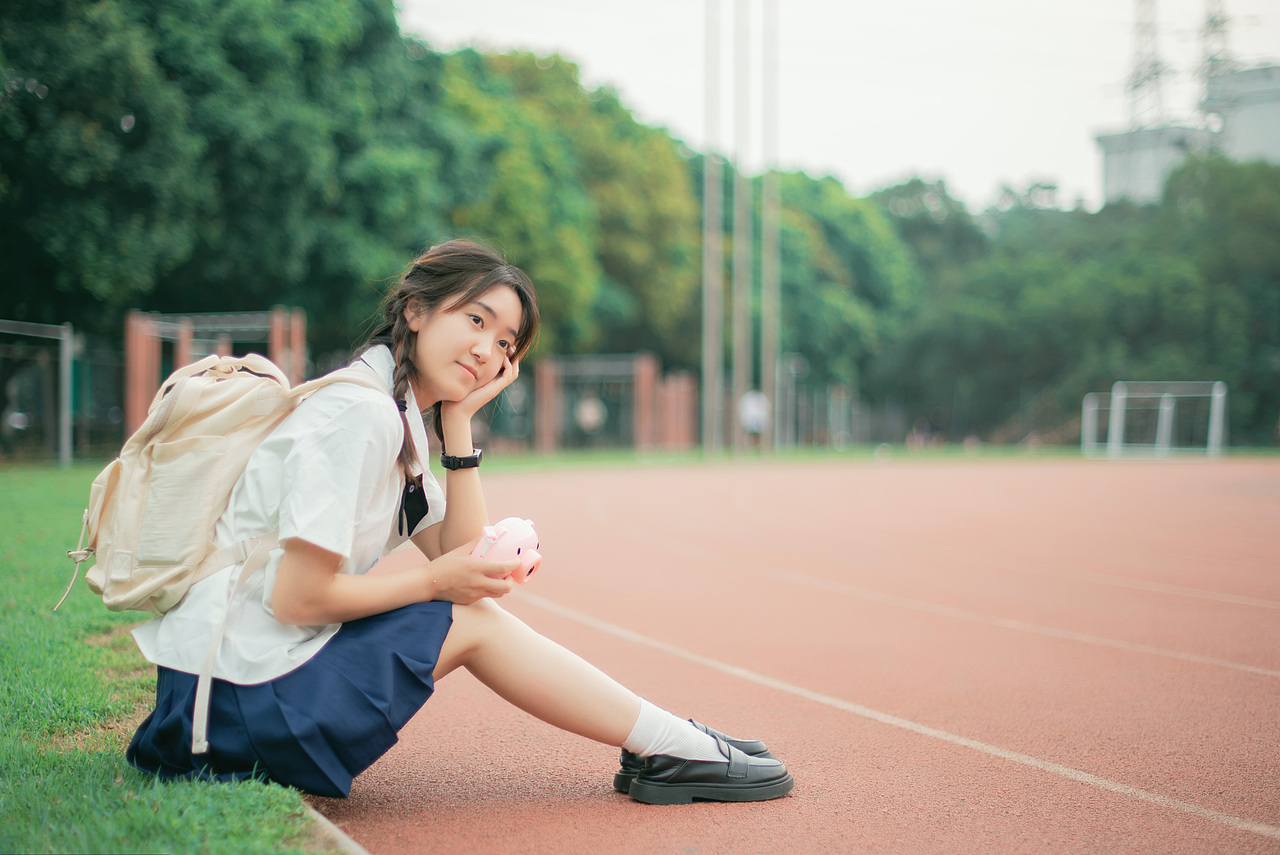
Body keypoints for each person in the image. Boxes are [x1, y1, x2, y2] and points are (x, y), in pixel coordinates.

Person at [126, 239, 793, 805]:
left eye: (504, 343)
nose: (486, 350)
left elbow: (463, 557)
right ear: (415, 310)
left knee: (467, 607)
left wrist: (458, 426)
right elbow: (301, 597)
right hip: (232, 713)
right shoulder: (357, 415)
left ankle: (669, 741)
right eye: (475, 320)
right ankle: (672, 744)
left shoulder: (398, 417)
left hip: (236, 692)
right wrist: (435, 580)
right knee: (468, 619)